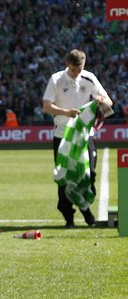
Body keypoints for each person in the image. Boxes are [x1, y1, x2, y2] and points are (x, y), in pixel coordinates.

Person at [43, 49, 113, 228]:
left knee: (89, 174)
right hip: (62, 136)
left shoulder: (89, 78)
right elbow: (47, 106)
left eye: (80, 69)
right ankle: (69, 217)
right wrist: (67, 112)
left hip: (84, 135)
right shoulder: (56, 79)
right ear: (67, 64)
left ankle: (85, 208)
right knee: (64, 176)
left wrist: (101, 101)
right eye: (74, 69)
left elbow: (108, 102)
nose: (77, 73)